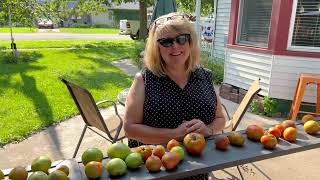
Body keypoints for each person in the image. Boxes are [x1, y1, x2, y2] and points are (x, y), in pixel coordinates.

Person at [123, 12, 226, 180]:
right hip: (157, 169)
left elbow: (220, 118)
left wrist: (208, 130)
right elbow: (130, 128)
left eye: (181, 39)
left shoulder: (205, 77)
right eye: (166, 41)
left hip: (197, 170)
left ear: (191, 42)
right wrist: (174, 134)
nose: (175, 47)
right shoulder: (144, 80)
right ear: (156, 47)